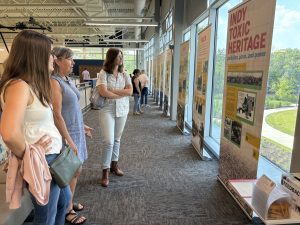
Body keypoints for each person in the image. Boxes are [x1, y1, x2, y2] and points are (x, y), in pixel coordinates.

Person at [0, 30, 71, 225]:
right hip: (43, 160)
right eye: (49, 53)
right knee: (45, 217)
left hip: (52, 159)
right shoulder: (18, 86)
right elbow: (8, 132)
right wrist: (31, 154)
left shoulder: (32, 85)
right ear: (35, 55)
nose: (53, 58)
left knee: (63, 203)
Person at [51, 47, 93, 224]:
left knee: (75, 170)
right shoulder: (54, 81)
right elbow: (57, 114)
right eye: (70, 59)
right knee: (72, 171)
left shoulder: (66, 79)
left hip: (75, 130)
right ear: (58, 60)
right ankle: (67, 210)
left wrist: (82, 125)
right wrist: (68, 139)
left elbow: (72, 108)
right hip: (65, 134)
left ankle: (68, 202)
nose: (73, 62)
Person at [97, 48, 132, 187]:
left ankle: (114, 165)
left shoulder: (125, 73)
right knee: (109, 141)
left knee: (117, 139)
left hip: (122, 109)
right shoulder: (103, 73)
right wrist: (121, 93)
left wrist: (113, 91)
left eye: (122, 55)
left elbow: (130, 91)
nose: (121, 58)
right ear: (112, 58)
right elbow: (103, 92)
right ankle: (105, 171)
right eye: (118, 56)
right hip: (107, 109)